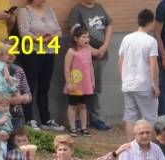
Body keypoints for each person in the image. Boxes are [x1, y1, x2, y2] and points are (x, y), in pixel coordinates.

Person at [17, 0, 63, 131]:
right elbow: (23, 32)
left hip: (49, 51)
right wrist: (40, 40)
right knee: (29, 86)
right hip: (32, 52)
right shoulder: (24, 11)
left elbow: (59, 31)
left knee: (44, 86)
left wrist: (52, 37)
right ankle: (29, 119)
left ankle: (45, 119)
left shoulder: (50, 11)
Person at [67, 0, 113, 130]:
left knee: (95, 87)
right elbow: (73, 31)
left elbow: (109, 25)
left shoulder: (99, 7)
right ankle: (77, 120)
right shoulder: (77, 9)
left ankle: (95, 118)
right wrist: (90, 49)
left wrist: (104, 46)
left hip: (101, 54)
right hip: (82, 56)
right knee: (79, 88)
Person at [119, 10, 160, 140]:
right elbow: (153, 64)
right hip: (144, 84)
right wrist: (155, 84)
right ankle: (152, 147)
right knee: (150, 117)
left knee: (130, 117)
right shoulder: (150, 41)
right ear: (151, 22)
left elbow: (120, 61)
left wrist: (124, 79)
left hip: (128, 84)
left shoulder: (127, 38)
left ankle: (131, 147)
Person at [63, 25, 95, 137]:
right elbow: (67, 68)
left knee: (83, 105)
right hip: (75, 84)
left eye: (88, 37)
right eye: (83, 37)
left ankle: (84, 127)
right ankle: (72, 127)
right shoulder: (71, 51)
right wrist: (69, 82)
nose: (87, 39)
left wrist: (92, 80)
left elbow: (90, 66)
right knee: (72, 105)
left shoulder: (88, 50)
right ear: (76, 38)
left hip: (85, 84)